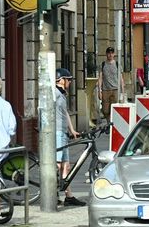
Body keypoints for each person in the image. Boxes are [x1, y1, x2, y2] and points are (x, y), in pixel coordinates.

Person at [54, 69, 85, 206]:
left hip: (63, 132)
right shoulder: (54, 94)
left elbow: (64, 112)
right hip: (57, 132)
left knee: (65, 165)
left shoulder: (62, 94)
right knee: (58, 164)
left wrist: (72, 130)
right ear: (60, 80)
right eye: (68, 79)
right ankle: (51, 193)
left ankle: (69, 196)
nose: (70, 82)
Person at [98, 47, 125, 122]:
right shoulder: (103, 64)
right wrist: (99, 90)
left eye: (112, 53)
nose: (110, 54)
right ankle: (108, 121)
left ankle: (110, 124)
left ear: (114, 54)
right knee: (105, 110)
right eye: (109, 53)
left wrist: (122, 92)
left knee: (114, 108)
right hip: (105, 90)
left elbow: (121, 78)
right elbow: (100, 78)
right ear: (106, 54)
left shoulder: (117, 64)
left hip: (115, 90)